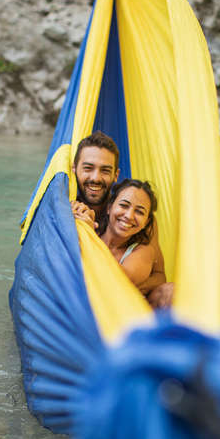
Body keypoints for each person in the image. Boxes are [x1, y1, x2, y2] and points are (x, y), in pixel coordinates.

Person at [70, 131, 173, 307]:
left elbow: (159, 275)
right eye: (88, 168)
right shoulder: (67, 208)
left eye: (105, 170)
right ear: (74, 169)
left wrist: (130, 287)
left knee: (171, 292)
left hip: (124, 297)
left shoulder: (139, 220)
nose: (95, 178)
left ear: (115, 175)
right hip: (83, 299)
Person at [99, 179, 157, 290]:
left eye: (139, 212)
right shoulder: (90, 233)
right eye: (124, 205)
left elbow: (115, 281)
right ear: (109, 208)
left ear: (146, 222)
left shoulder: (143, 252)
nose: (129, 216)